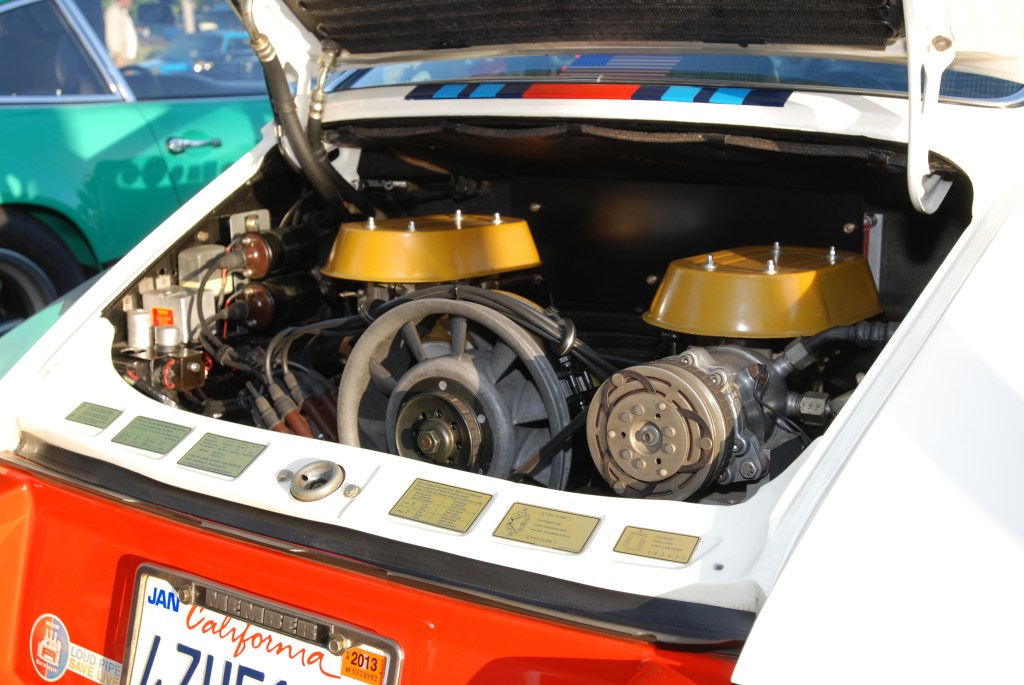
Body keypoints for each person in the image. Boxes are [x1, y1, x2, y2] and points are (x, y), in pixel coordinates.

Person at [104, 0, 138, 67]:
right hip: (120, 60)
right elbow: (113, 38)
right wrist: (118, 58)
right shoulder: (113, 12)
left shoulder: (123, 13)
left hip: (127, 60)